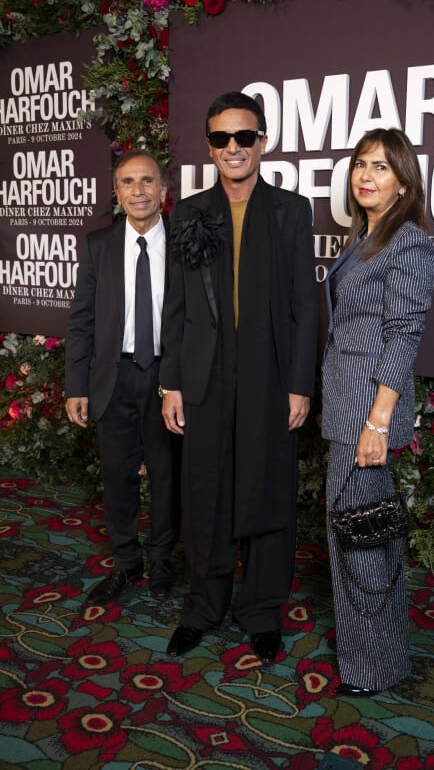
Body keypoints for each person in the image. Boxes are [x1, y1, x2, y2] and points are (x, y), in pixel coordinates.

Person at [159, 91, 317, 662]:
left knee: (267, 490)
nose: (233, 148)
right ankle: (204, 606)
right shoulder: (189, 213)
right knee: (205, 493)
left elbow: (305, 304)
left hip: (271, 375)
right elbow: (175, 305)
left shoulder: (292, 211)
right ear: (210, 146)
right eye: (222, 138)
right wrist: (170, 382)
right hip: (202, 376)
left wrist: (301, 384)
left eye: (243, 137)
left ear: (262, 143)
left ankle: (261, 610)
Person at [321, 128, 434, 696]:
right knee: (361, 537)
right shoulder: (364, 239)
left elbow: (402, 335)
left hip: (365, 413)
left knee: (360, 541)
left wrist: (377, 421)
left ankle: (372, 670)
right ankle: (375, 660)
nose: (366, 176)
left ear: (403, 182)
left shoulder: (407, 242)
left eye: (382, 167)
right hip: (348, 408)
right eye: (361, 164)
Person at [65, 150, 181, 605]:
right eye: (128, 182)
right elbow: (81, 321)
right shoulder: (98, 245)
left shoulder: (181, 242)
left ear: (163, 192)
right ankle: (127, 562)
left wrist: (180, 381)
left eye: (147, 181)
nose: (138, 190)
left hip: (165, 379)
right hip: (112, 378)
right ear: (116, 193)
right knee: (118, 477)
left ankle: (163, 562)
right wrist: (76, 385)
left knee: (167, 476)